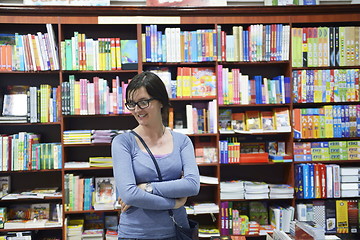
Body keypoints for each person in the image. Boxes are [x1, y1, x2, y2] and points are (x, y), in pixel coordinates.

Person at [111, 71, 200, 240]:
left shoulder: (182, 141)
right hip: (136, 234)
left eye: (143, 102)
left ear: (161, 101)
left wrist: (146, 188)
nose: (137, 110)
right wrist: (175, 202)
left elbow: (192, 185)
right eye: (132, 104)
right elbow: (129, 194)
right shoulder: (122, 142)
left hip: (177, 230)